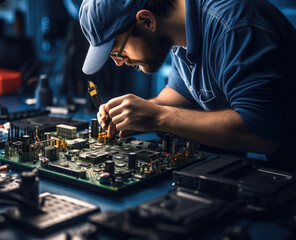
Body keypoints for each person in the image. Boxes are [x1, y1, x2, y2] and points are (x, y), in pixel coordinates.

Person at [79, 0, 296, 168]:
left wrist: (156, 117)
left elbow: (263, 133)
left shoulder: (233, 27)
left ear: (147, 20)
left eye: (118, 51)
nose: (119, 63)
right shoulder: (177, 34)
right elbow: (181, 94)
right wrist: (134, 113)